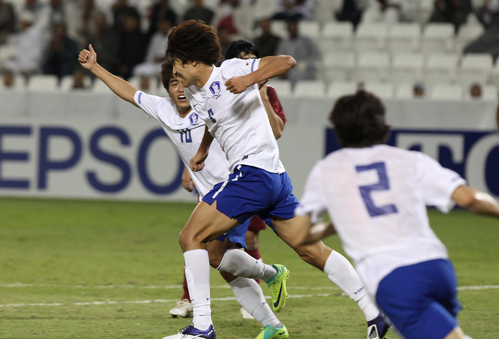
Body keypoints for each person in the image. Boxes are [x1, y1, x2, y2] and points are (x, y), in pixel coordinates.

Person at [163, 20, 387, 339]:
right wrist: (201, 151)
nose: (175, 73)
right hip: (275, 180)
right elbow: (214, 124)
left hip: (252, 175)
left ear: (191, 60)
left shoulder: (230, 70)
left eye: (176, 63)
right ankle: (374, 314)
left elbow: (286, 61)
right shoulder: (199, 95)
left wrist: (249, 80)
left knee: (191, 238)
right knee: (311, 249)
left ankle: (202, 327)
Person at [78, 44, 290, 339]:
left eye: (180, 81)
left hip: (236, 186)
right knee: (220, 261)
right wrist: (96, 69)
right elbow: (129, 92)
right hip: (211, 195)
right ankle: (272, 315)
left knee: (193, 241)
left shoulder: (206, 99)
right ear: (166, 88)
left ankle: (203, 325)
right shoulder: (165, 111)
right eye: (172, 84)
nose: (178, 89)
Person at [293, 90, 499, 339]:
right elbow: (470, 198)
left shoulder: (327, 169)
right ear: (384, 126)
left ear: (338, 130)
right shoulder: (410, 159)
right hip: (438, 268)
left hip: (393, 278)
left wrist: (332, 226)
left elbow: (299, 234)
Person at [170, 39, 287, 320]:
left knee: (204, 238)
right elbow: (211, 125)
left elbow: (278, 129)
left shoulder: (260, 89)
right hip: (222, 181)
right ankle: (268, 288)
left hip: (249, 177)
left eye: (252, 59)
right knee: (210, 251)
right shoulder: (207, 92)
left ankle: (203, 321)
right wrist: (198, 156)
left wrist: (254, 83)